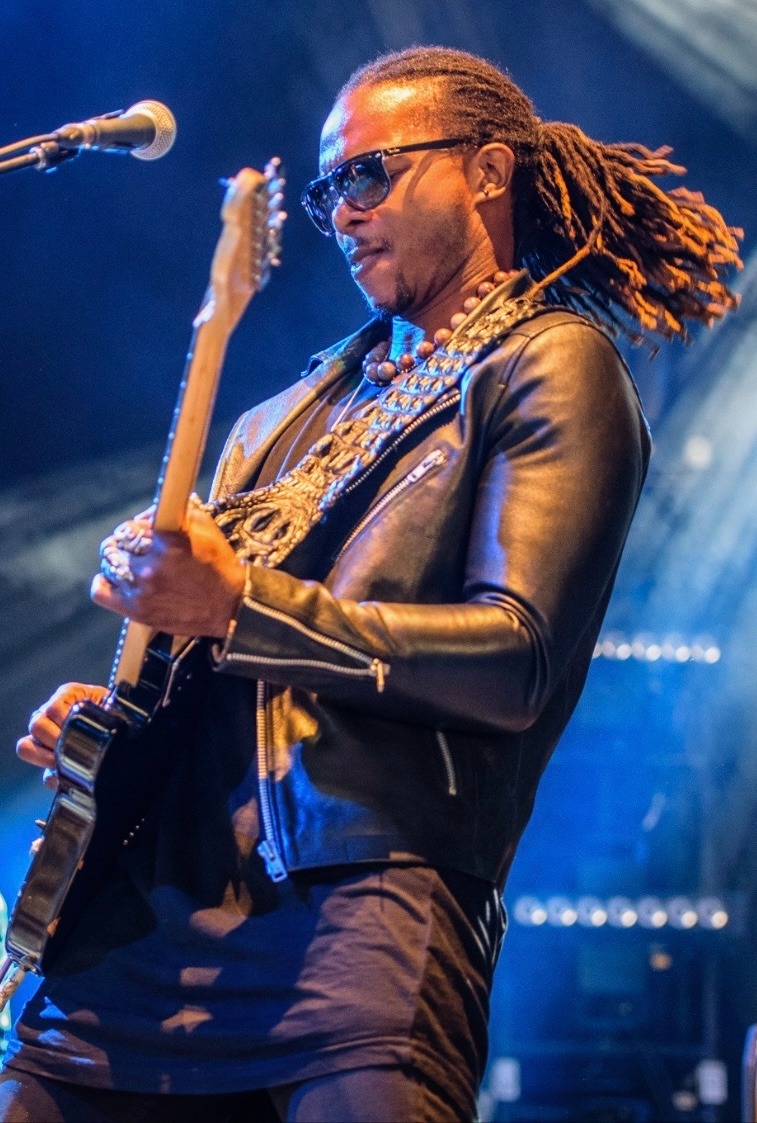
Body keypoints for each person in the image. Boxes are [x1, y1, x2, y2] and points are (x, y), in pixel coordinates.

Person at [0, 45, 741, 1123]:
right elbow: (222, 663)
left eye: (368, 173)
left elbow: (516, 659)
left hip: (360, 920)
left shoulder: (548, 364)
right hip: (142, 925)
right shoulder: (279, 420)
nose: (341, 211)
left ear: (488, 170)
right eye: (325, 190)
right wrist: (125, 718)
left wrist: (239, 605)